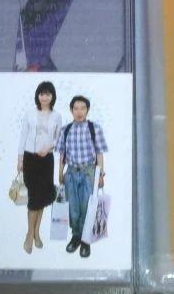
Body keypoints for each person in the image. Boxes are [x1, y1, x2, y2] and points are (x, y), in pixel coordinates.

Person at [55, 94, 108, 257]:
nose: (79, 112)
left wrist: (101, 174)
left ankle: (86, 241)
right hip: (71, 173)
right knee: (73, 208)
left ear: (87, 110)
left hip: (88, 173)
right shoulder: (65, 130)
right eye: (76, 108)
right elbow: (62, 154)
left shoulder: (95, 128)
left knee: (87, 207)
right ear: (71, 110)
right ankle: (76, 236)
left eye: (83, 108)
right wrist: (60, 173)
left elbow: (99, 153)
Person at [16, 80, 62, 253]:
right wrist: (20, 159)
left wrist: (49, 147)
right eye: (42, 94)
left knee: (42, 197)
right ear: (38, 96)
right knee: (33, 197)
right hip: (30, 159)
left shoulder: (57, 116)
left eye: (48, 94)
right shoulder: (30, 113)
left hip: (46, 160)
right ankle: (29, 234)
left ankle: (36, 232)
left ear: (52, 96)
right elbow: (23, 136)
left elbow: (59, 139)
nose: (44, 97)